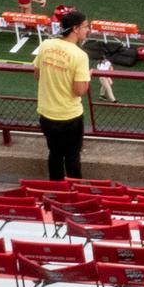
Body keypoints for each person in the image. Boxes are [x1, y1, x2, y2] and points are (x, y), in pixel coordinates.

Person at [33, 10, 93, 180]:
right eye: (86, 26)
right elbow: (79, 90)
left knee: (55, 154)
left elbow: (37, 75)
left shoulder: (46, 45)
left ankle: (56, 191)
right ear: (75, 29)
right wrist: (87, 77)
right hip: (69, 116)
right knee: (72, 156)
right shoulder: (80, 56)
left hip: (46, 113)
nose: (87, 30)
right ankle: (75, 193)